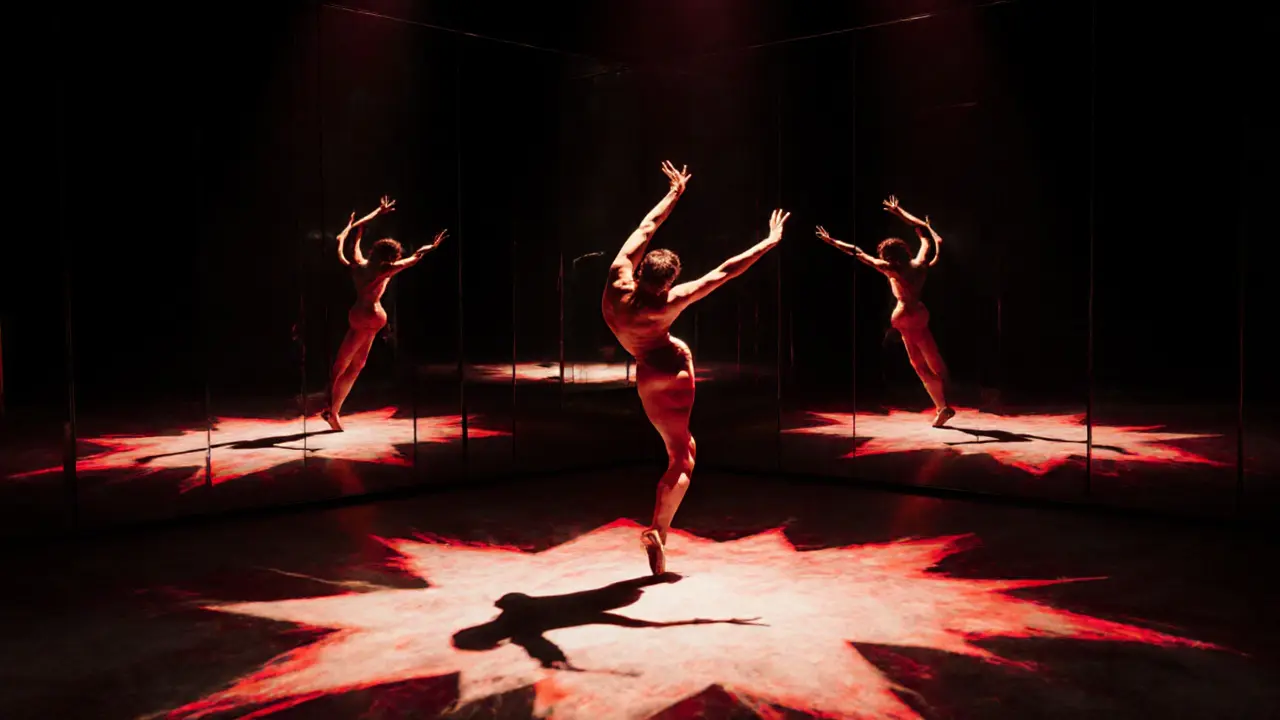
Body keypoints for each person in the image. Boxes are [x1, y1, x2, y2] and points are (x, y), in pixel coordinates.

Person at [602, 160, 789, 574]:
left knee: (680, 450)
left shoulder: (617, 276)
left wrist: (673, 193)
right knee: (683, 454)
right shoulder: (668, 302)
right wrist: (768, 242)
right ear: (668, 282)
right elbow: (724, 272)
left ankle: (660, 533)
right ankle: (658, 529)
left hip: (646, 372)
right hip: (670, 369)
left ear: (641, 268)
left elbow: (646, 228)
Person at [816, 195, 954, 427]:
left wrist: (832, 242)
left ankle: (942, 405)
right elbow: (923, 233)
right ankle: (943, 399)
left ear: (890, 258)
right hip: (920, 313)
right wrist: (899, 212)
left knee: (919, 365)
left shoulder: (890, 269)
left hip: (906, 316)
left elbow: (858, 252)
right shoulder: (920, 262)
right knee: (931, 355)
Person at [322, 196, 447, 431]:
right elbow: (415, 258)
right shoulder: (385, 270)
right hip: (367, 318)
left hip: (365, 318)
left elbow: (355, 236)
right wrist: (431, 247)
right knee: (345, 363)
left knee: (355, 364)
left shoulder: (358, 263)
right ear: (391, 257)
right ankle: (330, 404)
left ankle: (333, 409)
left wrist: (372, 217)